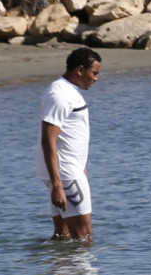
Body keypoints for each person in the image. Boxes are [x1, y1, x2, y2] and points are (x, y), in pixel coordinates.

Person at [37, 47, 102, 242]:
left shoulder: (65, 91)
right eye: (94, 73)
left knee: (62, 235)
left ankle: (59, 272)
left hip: (67, 172)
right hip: (65, 174)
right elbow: (48, 139)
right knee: (84, 235)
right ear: (80, 70)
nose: (96, 78)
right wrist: (58, 185)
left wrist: (81, 167)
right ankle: (85, 273)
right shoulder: (60, 95)